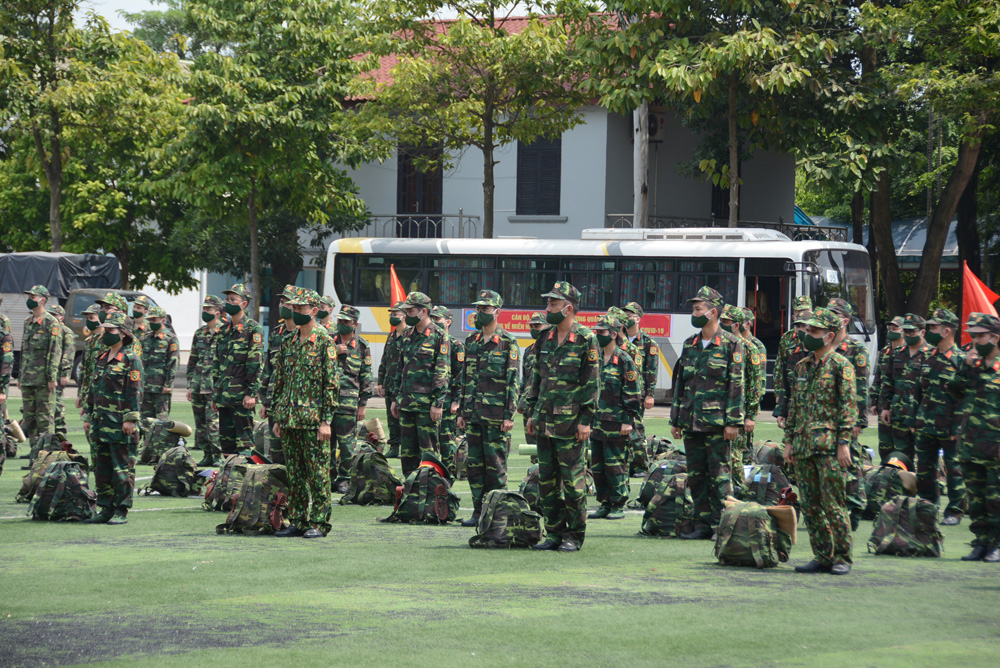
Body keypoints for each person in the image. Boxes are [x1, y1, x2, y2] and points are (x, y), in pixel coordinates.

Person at [523, 281, 600, 552]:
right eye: (548, 303)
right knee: (546, 483)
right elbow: (537, 380)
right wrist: (531, 412)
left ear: (568, 308)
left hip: (570, 425)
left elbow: (591, 383)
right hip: (544, 422)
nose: (547, 309)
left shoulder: (586, 339)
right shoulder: (544, 337)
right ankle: (554, 533)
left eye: (553, 304)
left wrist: (586, 420)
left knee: (573, 484)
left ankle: (574, 536)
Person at [783, 307, 857, 575]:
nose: (807, 335)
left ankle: (842, 557)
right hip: (803, 446)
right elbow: (795, 407)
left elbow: (848, 408)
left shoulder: (841, 366)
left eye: (814, 331)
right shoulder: (802, 366)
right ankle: (823, 555)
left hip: (829, 447)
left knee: (834, 505)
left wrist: (844, 443)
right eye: (807, 330)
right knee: (812, 506)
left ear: (829, 336)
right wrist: (789, 442)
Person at [670, 286, 744, 540]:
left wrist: (733, 422)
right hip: (691, 421)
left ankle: (721, 526)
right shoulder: (690, 343)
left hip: (717, 423)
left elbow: (735, 386)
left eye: (698, 308)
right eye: (693, 308)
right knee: (697, 476)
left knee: (720, 477)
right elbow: (681, 383)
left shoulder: (732, 344)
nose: (693, 312)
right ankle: (702, 524)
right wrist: (676, 419)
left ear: (713, 312)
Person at [270, 289, 340, 539]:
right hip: (290, 420)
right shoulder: (288, 342)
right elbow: (280, 382)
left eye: (300, 309)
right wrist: (278, 417)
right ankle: (299, 520)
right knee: (296, 475)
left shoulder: (324, 341)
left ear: (313, 310)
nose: (295, 312)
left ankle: (319, 523)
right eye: (294, 308)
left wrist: (326, 421)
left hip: (313, 422)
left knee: (318, 474)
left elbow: (330, 384)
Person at [458, 290, 520, 526]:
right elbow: (465, 378)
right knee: (474, 466)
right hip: (473, 414)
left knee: (495, 466)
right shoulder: (471, 341)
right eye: (478, 308)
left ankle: (497, 514)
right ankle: (477, 512)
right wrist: (463, 412)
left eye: (485, 309)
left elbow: (513, 380)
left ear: (497, 312)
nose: (480, 313)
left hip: (496, 417)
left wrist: (508, 415)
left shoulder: (508, 342)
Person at [949, 313, 1000, 562]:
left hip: (996, 446)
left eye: (980, 336)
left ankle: (997, 545)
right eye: (974, 336)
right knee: (977, 499)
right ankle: (981, 542)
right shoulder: (973, 364)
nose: (975, 340)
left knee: (996, 499)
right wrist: (965, 367)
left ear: (995, 337)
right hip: (970, 443)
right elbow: (955, 391)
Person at [83, 312, 143, 525]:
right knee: (101, 468)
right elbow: (93, 391)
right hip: (101, 423)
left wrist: (130, 419)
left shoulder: (130, 359)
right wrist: (89, 416)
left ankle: (121, 509)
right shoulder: (102, 358)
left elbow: (134, 392)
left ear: (123, 333)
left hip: (120, 424)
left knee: (122, 468)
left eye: (111, 330)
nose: (106, 334)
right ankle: (105, 508)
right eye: (105, 330)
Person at [910, 308, 966, 525]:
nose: (928, 331)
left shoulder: (961, 360)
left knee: (954, 469)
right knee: (924, 468)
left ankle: (954, 511)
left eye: (933, 327)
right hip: (926, 422)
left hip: (950, 424)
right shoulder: (926, 357)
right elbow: (919, 390)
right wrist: (914, 418)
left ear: (946, 331)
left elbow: (965, 397)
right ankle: (928, 506)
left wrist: (959, 426)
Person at [389, 292, 450, 477]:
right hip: (406, 405)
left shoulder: (439, 336)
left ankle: (430, 495)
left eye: (411, 310)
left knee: (429, 454)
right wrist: (395, 399)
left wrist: (437, 403)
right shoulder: (407, 334)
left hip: (426, 407)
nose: (407, 314)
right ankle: (410, 495)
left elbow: (442, 371)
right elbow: (401, 369)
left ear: (423, 311)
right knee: (407, 455)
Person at [588, 315, 641, 520]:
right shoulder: (594, 357)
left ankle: (618, 503)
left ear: (613, 333)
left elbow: (633, 392)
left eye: (601, 332)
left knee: (616, 465)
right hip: (596, 422)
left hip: (617, 422)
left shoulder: (625, 360)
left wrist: (628, 420)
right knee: (599, 466)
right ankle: (604, 502)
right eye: (597, 332)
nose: (597, 335)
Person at [826, 298, 871, 529]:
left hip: (847, 417)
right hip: (824, 418)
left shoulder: (856, 350)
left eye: (833, 314)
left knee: (849, 463)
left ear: (844, 320)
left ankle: (853, 508)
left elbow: (861, 388)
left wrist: (858, 421)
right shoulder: (822, 346)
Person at [213, 283, 264, 456]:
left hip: (242, 398)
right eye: (227, 299)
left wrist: (251, 393)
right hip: (224, 398)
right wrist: (216, 394)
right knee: (226, 446)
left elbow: (255, 363)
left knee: (244, 446)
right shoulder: (223, 331)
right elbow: (217, 365)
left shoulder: (252, 329)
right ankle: (228, 481)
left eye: (233, 299)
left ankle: (243, 481)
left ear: (244, 304)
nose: (228, 303)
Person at [331, 304, 374, 491]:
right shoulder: (327, 341)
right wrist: (333, 352)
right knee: (325, 444)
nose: (342, 324)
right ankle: (328, 476)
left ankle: (344, 478)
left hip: (348, 403)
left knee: (347, 445)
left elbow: (366, 375)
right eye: (340, 320)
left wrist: (362, 405)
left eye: (346, 321)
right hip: (325, 401)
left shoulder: (362, 346)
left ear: (355, 324)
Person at [879, 314, 933, 464]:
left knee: (923, 459)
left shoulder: (932, 355)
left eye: (912, 332)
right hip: (898, 413)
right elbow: (889, 381)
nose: (908, 335)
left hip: (920, 415)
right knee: (899, 456)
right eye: (906, 332)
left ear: (922, 332)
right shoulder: (898, 353)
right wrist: (886, 407)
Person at [720, 305, 761, 476]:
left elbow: (754, 383)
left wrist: (750, 415)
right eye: (721, 321)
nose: (721, 324)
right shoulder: (718, 345)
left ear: (736, 325)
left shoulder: (749, 348)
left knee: (735, 456)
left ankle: (738, 491)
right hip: (718, 411)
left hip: (739, 412)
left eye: (726, 322)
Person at [260, 285, 299, 464]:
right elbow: (268, 368)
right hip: (275, 401)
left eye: (287, 302)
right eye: (281, 301)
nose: (282, 305)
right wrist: (264, 401)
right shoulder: (276, 333)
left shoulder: (304, 334)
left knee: (294, 450)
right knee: (276, 450)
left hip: (296, 404)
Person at [18, 285, 61, 440]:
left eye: (33, 297)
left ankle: (45, 455)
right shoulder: (27, 322)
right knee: (29, 419)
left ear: (42, 300)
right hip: (28, 379)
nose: (30, 300)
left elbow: (54, 351)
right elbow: (24, 351)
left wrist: (52, 377)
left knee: (44, 419)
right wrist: (20, 377)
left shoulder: (51, 323)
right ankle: (34, 456)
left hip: (43, 380)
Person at [187, 295, 224, 466]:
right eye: (204, 309)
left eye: (208, 309)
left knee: (213, 424)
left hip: (213, 386)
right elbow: (192, 360)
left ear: (217, 312)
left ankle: (217, 455)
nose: (205, 312)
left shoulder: (225, 332)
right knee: (200, 423)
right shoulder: (199, 333)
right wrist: (189, 384)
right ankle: (207, 453)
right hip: (197, 385)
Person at [431, 306, 465, 465]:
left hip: (447, 400)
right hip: (430, 400)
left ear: (448, 322)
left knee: (446, 438)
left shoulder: (456, 345)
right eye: (432, 319)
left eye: (437, 319)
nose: (433, 322)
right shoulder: (428, 342)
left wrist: (457, 400)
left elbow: (460, 375)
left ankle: (449, 471)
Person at [870, 316, 906, 461]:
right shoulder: (885, 352)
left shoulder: (907, 353)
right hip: (883, 404)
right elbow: (878, 377)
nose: (891, 331)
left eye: (895, 328)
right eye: (890, 328)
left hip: (901, 407)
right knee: (884, 445)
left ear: (904, 331)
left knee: (901, 446)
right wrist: (874, 400)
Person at [773, 295, 813, 423]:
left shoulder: (818, 339)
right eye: (800, 312)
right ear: (794, 316)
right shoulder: (787, 337)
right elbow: (780, 366)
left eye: (806, 310)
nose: (804, 314)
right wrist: (778, 393)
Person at [623, 301, 660, 429]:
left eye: (629, 316)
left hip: (637, 392)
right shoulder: (618, 339)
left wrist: (650, 394)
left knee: (635, 427)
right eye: (624, 315)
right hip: (618, 391)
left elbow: (651, 370)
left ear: (638, 319)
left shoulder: (648, 342)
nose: (625, 319)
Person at [378, 301, 407, 458]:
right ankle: (394, 446)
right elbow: (384, 360)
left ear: (403, 316)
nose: (392, 316)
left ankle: (406, 448)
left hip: (403, 386)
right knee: (391, 418)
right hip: (389, 384)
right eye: (391, 314)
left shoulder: (409, 336)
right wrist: (380, 381)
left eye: (395, 314)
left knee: (403, 418)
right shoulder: (391, 336)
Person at [140, 306, 179, 420]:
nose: (152, 322)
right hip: (146, 387)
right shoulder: (145, 338)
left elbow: (173, 363)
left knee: (161, 422)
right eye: (150, 320)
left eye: (154, 320)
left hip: (161, 388)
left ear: (163, 320)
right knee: (145, 421)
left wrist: (168, 384)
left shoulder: (170, 339)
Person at [516, 312, 548, 450]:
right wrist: (520, 401)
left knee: (545, 447)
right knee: (532, 448)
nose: (534, 329)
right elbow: (525, 379)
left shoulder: (552, 349)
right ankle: (534, 471)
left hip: (545, 407)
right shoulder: (529, 351)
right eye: (532, 326)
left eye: (538, 325)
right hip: (529, 407)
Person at [45, 303, 75, 437]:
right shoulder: (47, 330)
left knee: (56, 403)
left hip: (57, 374)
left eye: (54, 315)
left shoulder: (66, 332)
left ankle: (60, 433)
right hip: (47, 373)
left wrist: (65, 373)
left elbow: (68, 354)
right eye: (49, 314)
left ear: (61, 317)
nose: (51, 317)